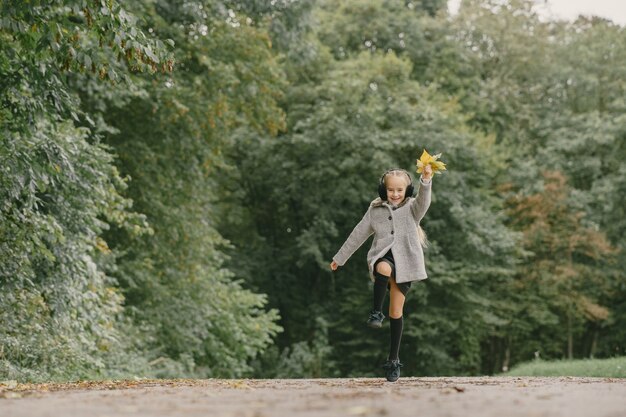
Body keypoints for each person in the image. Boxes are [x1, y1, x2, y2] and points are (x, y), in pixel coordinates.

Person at [329, 164, 433, 382]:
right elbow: (358, 234)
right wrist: (340, 258)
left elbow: (424, 202)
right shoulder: (375, 210)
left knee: (396, 311)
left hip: (406, 262)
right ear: (383, 190)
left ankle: (393, 360)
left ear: (407, 191)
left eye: (399, 190)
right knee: (383, 268)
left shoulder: (413, 208)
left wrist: (425, 180)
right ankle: (376, 312)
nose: (395, 194)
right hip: (383, 255)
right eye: (390, 190)